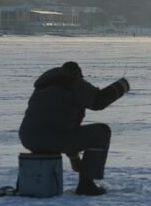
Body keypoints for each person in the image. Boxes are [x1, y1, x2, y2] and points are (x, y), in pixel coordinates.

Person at [19, 61, 130, 196]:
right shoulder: (72, 81)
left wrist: (73, 157)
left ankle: (33, 181)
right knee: (101, 133)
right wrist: (122, 86)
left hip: (29, 139)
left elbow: (59, 122)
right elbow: (98, 101)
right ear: (77, 74)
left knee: (53, 136)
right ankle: (86, 184)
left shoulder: (41, 87)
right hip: (54, 137)